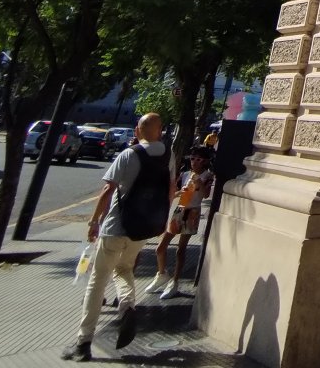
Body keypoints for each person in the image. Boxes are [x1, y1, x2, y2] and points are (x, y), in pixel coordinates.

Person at [62, 112, 173, 362]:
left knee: (97, 281)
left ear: (138, 130)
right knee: (124, 269)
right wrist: (161, 219)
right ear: (160, 131)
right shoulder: (169, 155)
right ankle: (127, 306)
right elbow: (171, 188)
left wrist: (94, 221)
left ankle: (83, 342)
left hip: (115, 226)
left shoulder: (128, 154)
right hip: (143, 228)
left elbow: (107, 189)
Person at [146, 146, 215, 299]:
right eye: (192, 158)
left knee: (180, 249)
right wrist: (179, 192)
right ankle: (161, 274)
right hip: (180, 210)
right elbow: (174, 192)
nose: (194, 162)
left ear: (205, 161)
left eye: (198, 159)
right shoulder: (185, 174)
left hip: (192, 212)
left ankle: (175, 282)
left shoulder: (207, 175)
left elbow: (206, 195)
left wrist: (199, 182)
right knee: (161, 247)